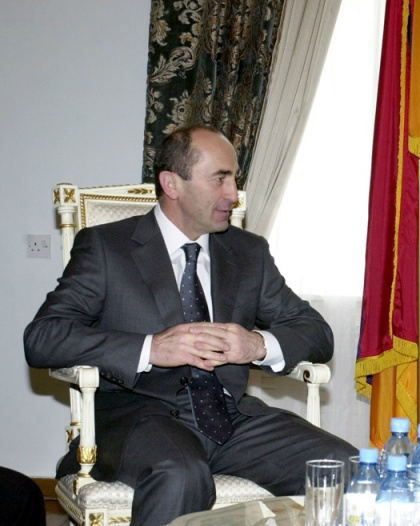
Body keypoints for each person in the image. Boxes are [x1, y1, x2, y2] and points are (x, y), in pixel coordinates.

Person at [24, 124, 357, 525]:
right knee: (180, 474)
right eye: (220, 179)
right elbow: (44, 337)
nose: (233, 194)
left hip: (232, 417)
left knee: (345, 466)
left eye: (234, 179)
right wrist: (151, 348)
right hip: (138, 417)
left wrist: (257, 344)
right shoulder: (107, 247)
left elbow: (316, 331)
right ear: (172, 184)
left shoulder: (248, 252)